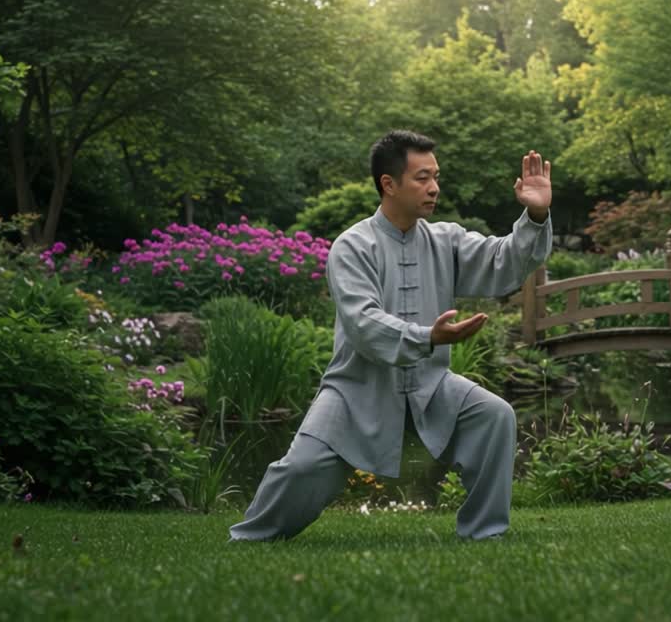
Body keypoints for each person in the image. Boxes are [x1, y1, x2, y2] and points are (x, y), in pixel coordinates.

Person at [229, 130, 553, 542]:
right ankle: (251, 536)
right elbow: (363, 324)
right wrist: (428, 337)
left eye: (435, 176)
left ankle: (484, 533)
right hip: (357, 388)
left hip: (431, 384)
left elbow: (503, 263)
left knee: (494, 416)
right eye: (422, 177)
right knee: (302, 469)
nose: (434, 187)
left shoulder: (446, 239)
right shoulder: (353, 246)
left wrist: (536, 216)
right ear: (389, 184)